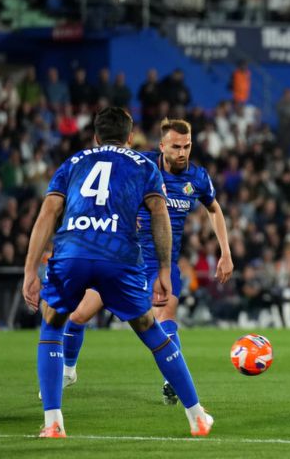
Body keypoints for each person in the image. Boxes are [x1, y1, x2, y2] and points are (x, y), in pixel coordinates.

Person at [22, 107, 213, 438]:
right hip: (118, 256)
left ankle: (53, 422)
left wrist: (30, 270)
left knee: (53, 323)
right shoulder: (144, 165)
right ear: (130, 137)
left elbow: (48, 212)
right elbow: (159, 214)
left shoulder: (73, 162)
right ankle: (196, 416)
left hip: (73, 252)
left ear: (96, 137)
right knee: (151, 329)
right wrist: (164, 269)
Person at [59, 118, 234, 405]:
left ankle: (171, 381)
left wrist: (225, 253)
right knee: (78, 316)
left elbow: (214, 210)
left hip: (161, 264)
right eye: (176, 147)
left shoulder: (197, 178)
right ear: (162, 146)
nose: (182, 152)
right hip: (124, 259)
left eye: (187, 146)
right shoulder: (140, 165)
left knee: (165, 318)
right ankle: (68, 371)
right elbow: (106, 186)